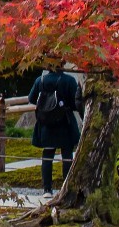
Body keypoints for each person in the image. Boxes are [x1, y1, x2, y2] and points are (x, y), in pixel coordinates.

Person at [27, 64, 82, 194]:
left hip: (45, 122)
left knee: (47, 155)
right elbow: (76, 103)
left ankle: (47, 189)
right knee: (67, 155)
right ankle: (66, 188)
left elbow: (31, 98)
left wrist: (46, 105)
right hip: (65, 122)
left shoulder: (40, 80)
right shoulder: (69, 80)